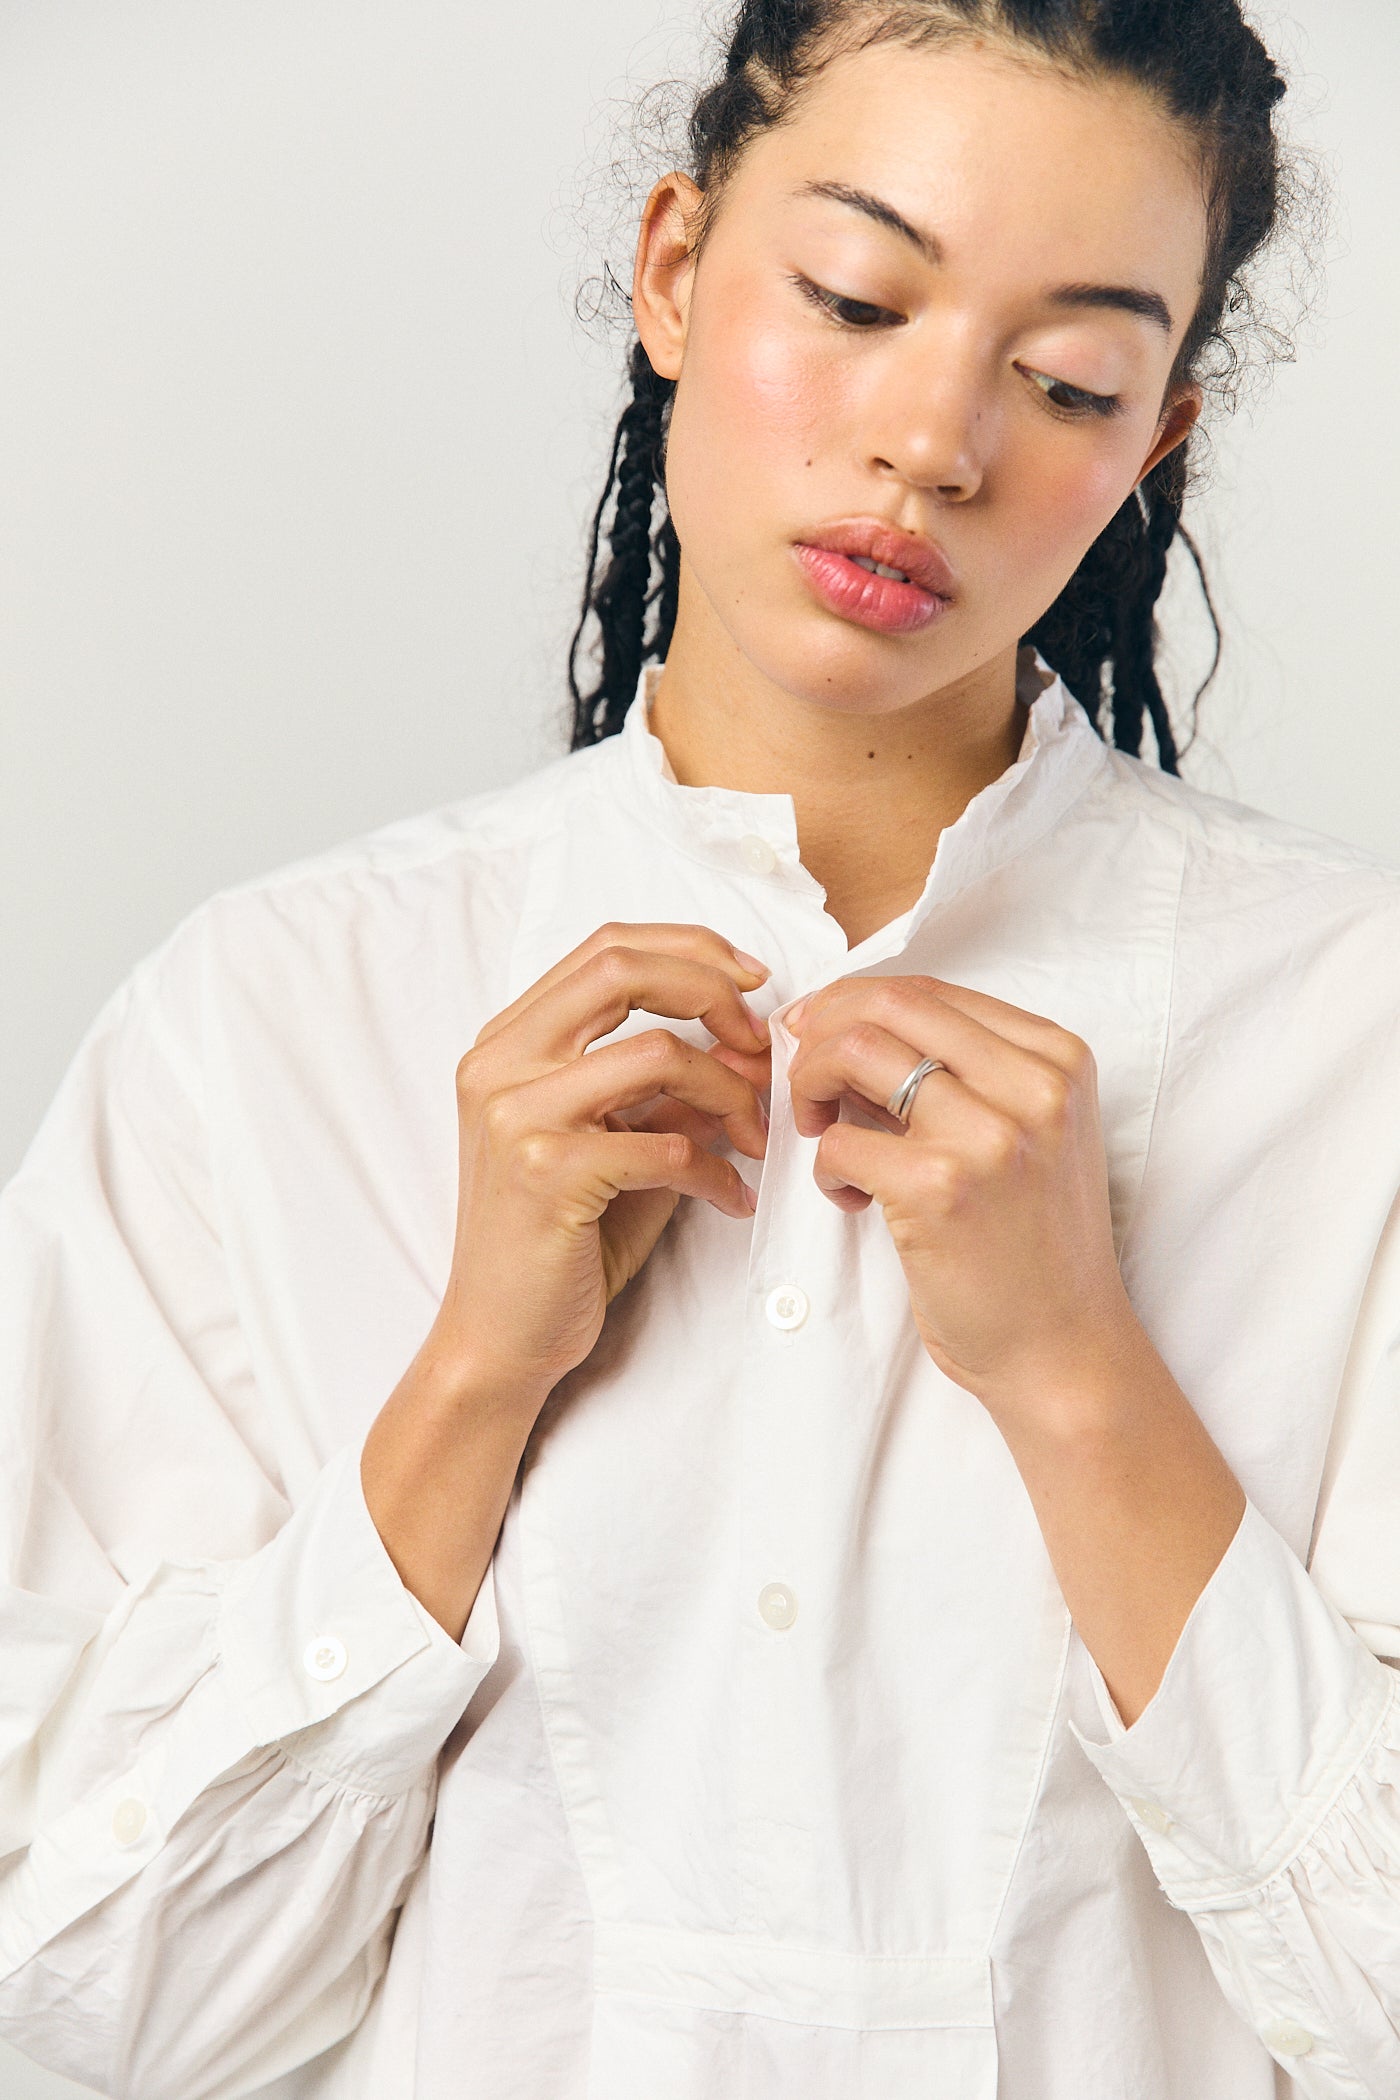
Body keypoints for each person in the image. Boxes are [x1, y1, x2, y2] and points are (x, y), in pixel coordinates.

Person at [2, 1, 1397, 2095]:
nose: (932, 441)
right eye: (851, 296)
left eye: (1068, 377)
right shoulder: (275, 1019)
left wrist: (1082, 1380)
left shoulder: (1349, 1036)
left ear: (1152, 446)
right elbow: (87, 2017)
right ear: (670, 269)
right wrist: (473, 1376)